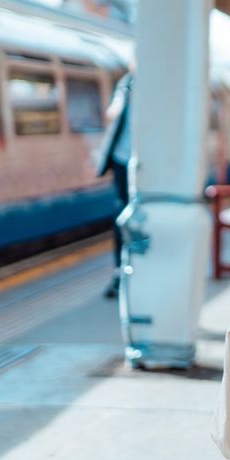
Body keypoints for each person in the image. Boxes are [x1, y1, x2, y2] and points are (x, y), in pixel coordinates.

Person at [95, 69, 133, 299]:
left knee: (130, 218)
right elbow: (113, 113)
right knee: (122, 218)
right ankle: (121, 274)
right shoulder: (127, 83)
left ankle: (127, 274)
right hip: (124, 160)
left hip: (143, 162)